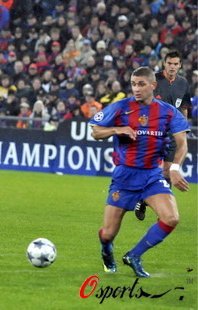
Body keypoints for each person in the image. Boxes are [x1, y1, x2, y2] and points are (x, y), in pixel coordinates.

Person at [89, 66, 189, 277]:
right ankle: (107, 250)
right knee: (107, 234)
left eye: (141, 84)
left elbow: (182, 144)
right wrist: (117, 129)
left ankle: (134, 255)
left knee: (171, 218)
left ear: (153, 85)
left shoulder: (168, 111)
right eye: (134, 84)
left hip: (152, 175)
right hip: (124, 177)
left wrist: (175, 168)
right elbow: (96, 131)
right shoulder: (120, 107)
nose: (136, 88)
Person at [134, 50, 192, 221]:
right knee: (151, 169)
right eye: (169, 63)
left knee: (168, 171)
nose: (172, 66)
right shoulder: (154, 81)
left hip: (172, 134)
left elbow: (184, 109)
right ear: (164, 64)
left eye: (176, 64)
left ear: (180, 65)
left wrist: (183, 129)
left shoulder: (183, 84)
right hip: (153, 133)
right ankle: (143, 199)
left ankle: (161, 208)